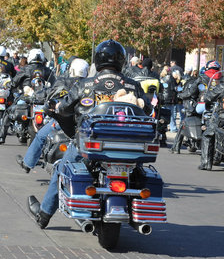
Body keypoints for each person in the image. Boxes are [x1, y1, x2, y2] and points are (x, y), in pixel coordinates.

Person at [27, 39, 148, 229]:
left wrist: (56, 106)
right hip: (127, 147)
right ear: (122, 60)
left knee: (61, 170)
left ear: (98, 60)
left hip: (89, 144)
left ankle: (44, 215)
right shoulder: (133, 86)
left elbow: (65, 107)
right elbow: (147, 110)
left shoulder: (85, 84)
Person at [16, 57, 89, 172]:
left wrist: (36, 95)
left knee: (40, 136)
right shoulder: (90, 84)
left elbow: (50, 93)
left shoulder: (64, 81)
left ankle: (28, 163)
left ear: (72, 70)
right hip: (83, 124)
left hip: (63, 121)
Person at [0, 48, 52, 144]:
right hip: (44, 99)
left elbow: (14, 82)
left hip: (26, 98)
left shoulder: (25, 69)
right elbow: (55, 84)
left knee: (8, 112)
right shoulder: (47, 70)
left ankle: (1, 137)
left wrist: (8, 84)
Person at [160, 66, 178, 133]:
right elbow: (174, 88)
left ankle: (164, 127)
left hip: (163, 98)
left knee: (163, 113)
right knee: (171, 114)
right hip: (170, 98)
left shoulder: (161, 78)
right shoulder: (171, 78)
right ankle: (173, 127)